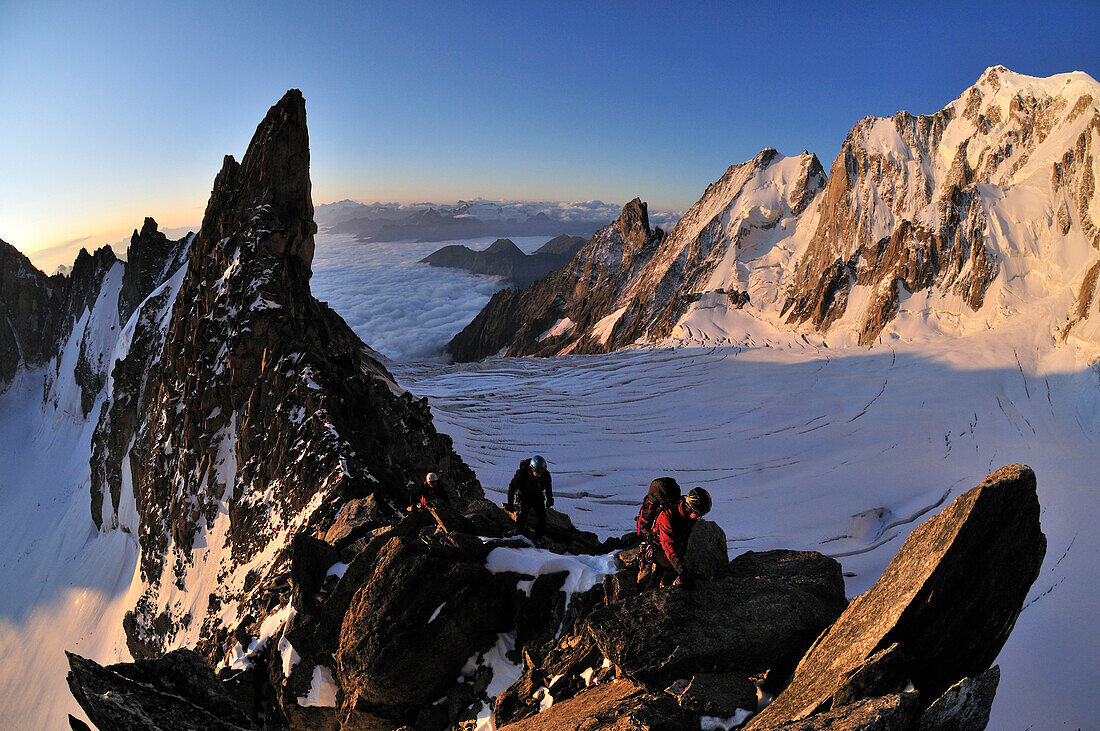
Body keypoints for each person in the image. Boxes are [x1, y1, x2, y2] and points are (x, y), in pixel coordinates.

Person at [650, 487, 711, 587]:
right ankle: (664, 586)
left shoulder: (689, 516)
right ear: (689, 508)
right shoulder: (667, 517)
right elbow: (668, 547)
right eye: (698, 514)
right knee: (672, 566)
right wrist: (682, 572)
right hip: (658, 547)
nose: (699, 518)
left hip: (674, 545)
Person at [507, 455, 553, 539]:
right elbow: (512, 487)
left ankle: (538, 537)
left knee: (542, 517)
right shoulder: (522, 473)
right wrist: (510, 503)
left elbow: (548, 487)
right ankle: (519, 531)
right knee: (523, 513)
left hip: (537, 495)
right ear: (532, 468)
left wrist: (550, 499)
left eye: (541, 472)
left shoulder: (545, 474)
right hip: (524, 495)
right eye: (537, 472)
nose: (539, 474)